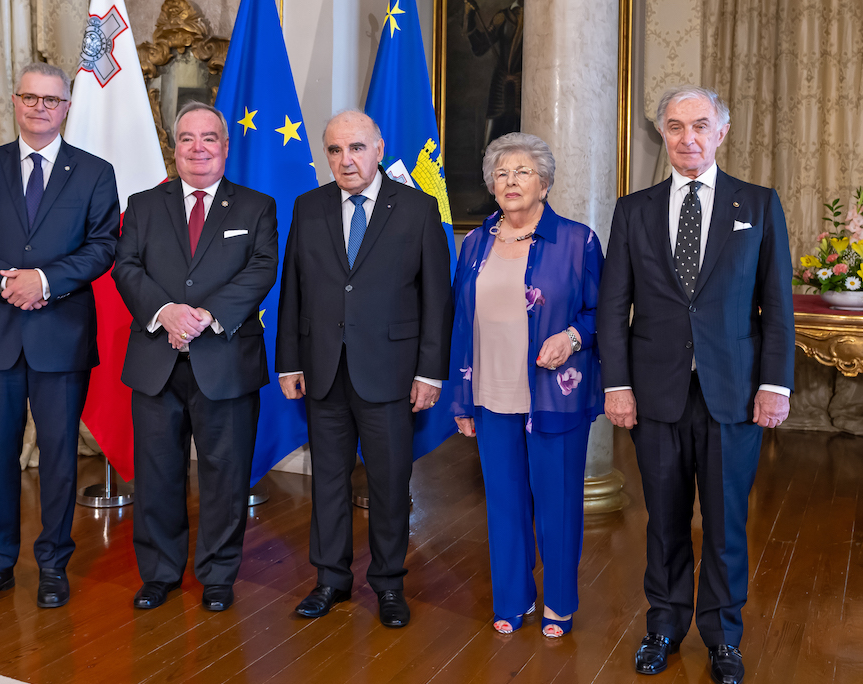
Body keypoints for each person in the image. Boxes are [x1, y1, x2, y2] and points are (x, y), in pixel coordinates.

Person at [597, 85, 795, 684]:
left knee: (727, 522)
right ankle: (664, 626)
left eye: (700, 126)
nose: (688, 138)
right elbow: (613, 309)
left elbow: (776, 306)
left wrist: (775, 385)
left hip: (733, 392)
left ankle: (723, 637)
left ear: (721, 133)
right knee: (664, 521)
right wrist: (617, 384)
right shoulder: (634, 210)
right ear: (663, 134)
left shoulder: (758, 205)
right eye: (676, 127)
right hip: (654, 394)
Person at [0, 61, 120, 611]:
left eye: (52, 100)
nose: (40, 107)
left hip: (60, 334)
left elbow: (102, 248)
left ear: (67, 108)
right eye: (31, 97)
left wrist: (44, 281)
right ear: (15, 102)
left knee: (61, 457)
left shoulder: (94, 172)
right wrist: (8, 283)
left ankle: (52, 565)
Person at [276, 110, 453, 628]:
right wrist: (289, 360)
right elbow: (294, 290)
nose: (345, 160)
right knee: (327, 481)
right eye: (334, 150)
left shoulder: (419, 209)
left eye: (356, 148)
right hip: (323, 370)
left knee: (389, 483)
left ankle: (389, 583)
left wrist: (430, 372)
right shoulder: (308, 208)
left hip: (392, 372)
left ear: (378, 148)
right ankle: (330, 579)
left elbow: (437, 300)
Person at [113, 101, 279, 613]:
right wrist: (165, 312)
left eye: (210, 138)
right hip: (156, 361)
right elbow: (126, 268)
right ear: (175, 147)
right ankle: (160, 573)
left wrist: (203, 315)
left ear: (226, 148)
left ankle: (217, 575)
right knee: (158, 474)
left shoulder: (256, 206)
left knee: (225, 476)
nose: (199, 148)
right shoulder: (143, 205)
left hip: (225, 360)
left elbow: (261, 270)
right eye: (188, 138)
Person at [448, 133, 603, 639]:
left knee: (557, 501)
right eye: (501, 173)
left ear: (545, 183)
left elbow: (601, 312)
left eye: (523, 172)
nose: (510, 181)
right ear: (492, 186)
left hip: (554, 396)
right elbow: (460, 324)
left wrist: (573, 337)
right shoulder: (473, 244)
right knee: (504, 501)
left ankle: (559, 601)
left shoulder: (577, 241)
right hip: (490, 394)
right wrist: (461, 398)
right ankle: (513, 598)